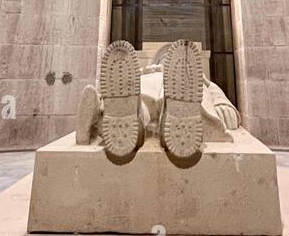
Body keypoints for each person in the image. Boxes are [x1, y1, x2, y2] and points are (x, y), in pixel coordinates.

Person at [75, 38, 240, 163]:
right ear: (156, 61)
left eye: (171, 59)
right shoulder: (142, 73)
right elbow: (119, 89)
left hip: (183, 88)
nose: (167, 61)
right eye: (165, 58)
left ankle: (107, 118)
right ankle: (133, 120)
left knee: (179, 97)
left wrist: (222, 104)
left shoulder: (198, 78)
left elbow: (215, 91)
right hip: (146, 89)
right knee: (135, 101)